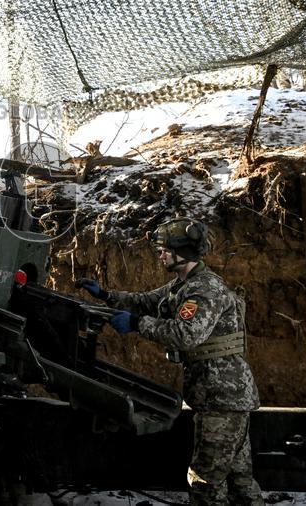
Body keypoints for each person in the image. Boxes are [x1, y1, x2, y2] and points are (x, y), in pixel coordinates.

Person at [77, 217, 263, 506]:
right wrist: (106, 295)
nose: (160, 254)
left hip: (222, 398)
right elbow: (145, 302)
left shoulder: (204, 290)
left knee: (204, 482)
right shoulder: (183, 285)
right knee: (239, 479)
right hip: (224, 397)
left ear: (183, 253)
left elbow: (186, 334)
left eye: (164, 249)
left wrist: (138, 324)